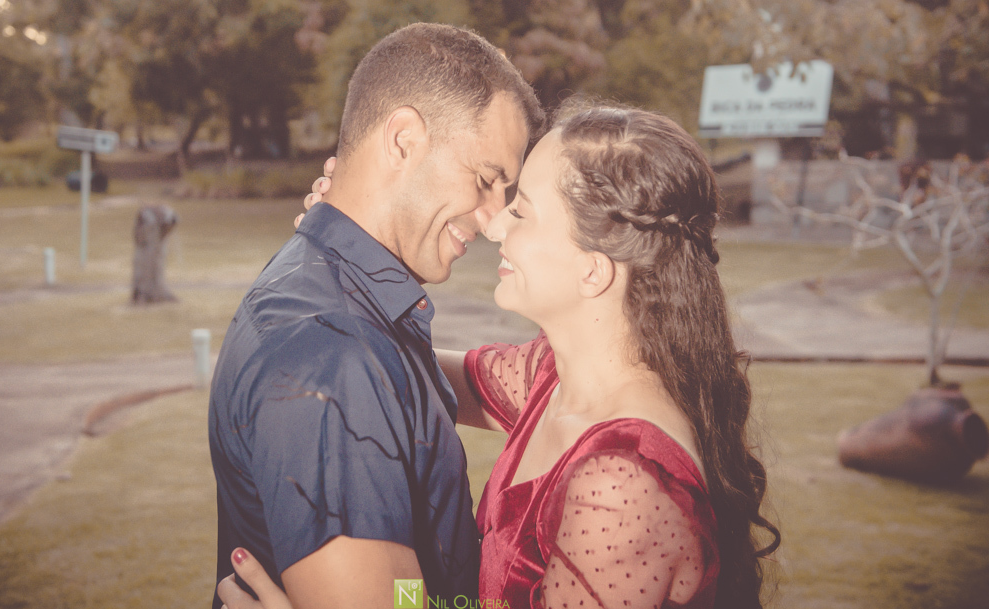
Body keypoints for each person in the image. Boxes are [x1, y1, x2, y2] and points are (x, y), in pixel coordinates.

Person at [219, 102, 780, 609]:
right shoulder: (551, 378)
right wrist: (353, 241)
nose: (494, 226)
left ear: (593, 270)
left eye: (523, 211)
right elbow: (385, 364)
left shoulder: (621, 486)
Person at [208, 22, 544, 609]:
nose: (495, 222)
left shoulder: (355, 315)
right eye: (487, 180)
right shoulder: (334, 354)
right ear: (403, 140)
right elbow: (400, 602)